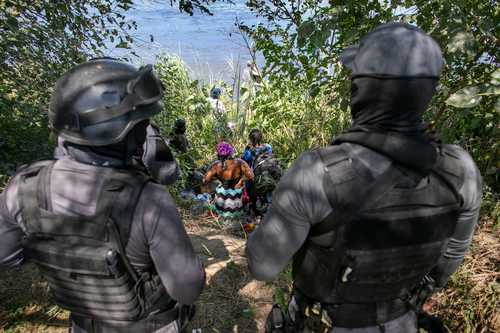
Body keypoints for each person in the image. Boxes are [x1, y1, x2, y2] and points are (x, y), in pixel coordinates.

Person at [246, 22, 482, 333]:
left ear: (362, 90)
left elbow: (262, 266)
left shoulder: (317, 172)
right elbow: (449, 259)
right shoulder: (460, 170)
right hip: (401, 322)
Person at [0, 58, 205, 333]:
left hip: (83, 324)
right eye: (141, 125)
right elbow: (187, 289)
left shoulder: (24, 187)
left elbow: (7, 256)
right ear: (120, 134)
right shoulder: (149, 200)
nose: (145, 130)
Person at [203, 141, 253, 221]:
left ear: (219, 154)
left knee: (212, 196)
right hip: (237, 201)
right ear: (230, 152)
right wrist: (241, 181)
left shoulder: (216, 165)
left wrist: (216, 178)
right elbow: (251, 176)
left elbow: (205, 180)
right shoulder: (240, 162)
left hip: (221, 201)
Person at [242, 129, 280, 216]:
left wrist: (247, 148)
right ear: (261, 138)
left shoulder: (249, 151)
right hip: (271, 175)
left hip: (257, 179)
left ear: (251, 139)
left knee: (248, 186)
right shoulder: (268, 147)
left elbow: (244, 162)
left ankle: (253, 211)